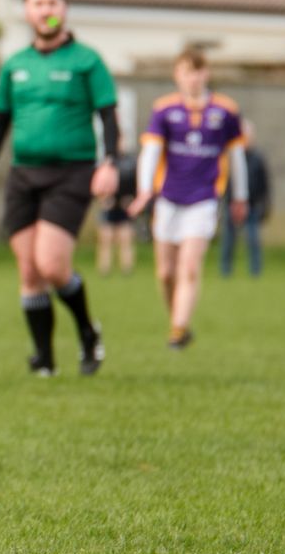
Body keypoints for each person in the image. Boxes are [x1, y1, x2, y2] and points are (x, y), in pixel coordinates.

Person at [0, 0, 117, 378]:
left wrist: (110, 162)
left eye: (53, 3)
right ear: (27, 12)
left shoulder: (87, 61)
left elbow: (108, 115)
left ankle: (87, 331)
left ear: (64, 9)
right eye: (38, 3)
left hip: (71, 173)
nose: (46, 10)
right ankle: (44, 360)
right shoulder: (16, 65)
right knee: (29, 273)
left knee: (51, 266)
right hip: (23, 174)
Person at [126, 50, 247, 348]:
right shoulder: (164, 109)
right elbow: (151, 151)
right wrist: (144, 190)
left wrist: (240, 196)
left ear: (206, 74)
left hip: (204, 198)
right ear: (176, 76)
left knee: (189, 267)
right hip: (168, 199)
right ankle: (177, 321)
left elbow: (237, 155)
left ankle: (179, 330)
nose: (192, 78)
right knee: (166, 273)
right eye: (186, 72)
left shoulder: (226, 110)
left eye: (198, 71)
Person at [220, 119, 270, 278]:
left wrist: (265, 206)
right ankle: (225, 271)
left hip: (252, 205)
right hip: (231, 205)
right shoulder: (229, 159)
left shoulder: (258, 159)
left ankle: (255, 271)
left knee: (253, 240)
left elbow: (265, 185)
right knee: (228, 240)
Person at [95, 140, 137, 276]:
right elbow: (97, 185)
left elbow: (136, 184)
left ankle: (127, 269)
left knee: (125, 239)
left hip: (124, 207)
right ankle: (104, 269)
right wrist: (103, 199)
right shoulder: (105, 164)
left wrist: (131, 199)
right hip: (109, 207)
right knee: (106, 239)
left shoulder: (131, 163)